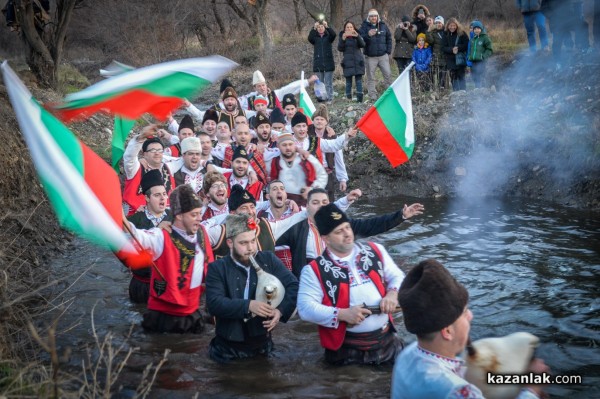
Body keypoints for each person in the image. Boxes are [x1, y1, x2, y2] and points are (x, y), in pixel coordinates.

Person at [391, 259, 550, 398]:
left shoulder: (408, 354)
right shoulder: (456, 390)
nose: (471, 316)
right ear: (447, 331)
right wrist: (533, 388)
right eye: (465, 312)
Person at [297, 203, 405, 365]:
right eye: (339, 231)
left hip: (386, 341)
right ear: (326, 238)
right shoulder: (313, 270)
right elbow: (305, 308)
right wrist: (342, 314)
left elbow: (397, 275)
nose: (347, 234)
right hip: (346, 351)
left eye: (347, 227)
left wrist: (393, 293)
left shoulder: (376, 250)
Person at [205, 213, 299, 363]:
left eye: (253, 241)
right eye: (243, 243)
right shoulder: (217, 268)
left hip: (263, 346)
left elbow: (294, 286)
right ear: (230, 243)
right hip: (226, 350)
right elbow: (214, 304)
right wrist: (248, 305)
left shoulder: (268, 260)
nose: (251, 248)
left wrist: (280, 311)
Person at [277, 188, 425, 279]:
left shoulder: (341, 225)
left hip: (340, 277)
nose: (320, 206)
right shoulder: (295, 228)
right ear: (307, 206)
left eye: (324, 202)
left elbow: (371, 225)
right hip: (311, 281)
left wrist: (401, 216)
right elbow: (269, 239)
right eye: (315, 203)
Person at [126, 185, 214, 334]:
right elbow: (135, 236)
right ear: (179, 215)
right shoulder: (160, 236)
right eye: (194, 215)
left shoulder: (201, 230)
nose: (200, 218)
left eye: (200, 213)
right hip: (165, 318)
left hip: (193, 312)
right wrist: (119, 218)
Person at [125, 169, 172, 304]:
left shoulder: (175, 218)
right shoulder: (133, 222)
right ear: (146, 198)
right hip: (142, 286)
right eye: (157, 195)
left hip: (169, 285)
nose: (163, 198)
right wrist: (156, 231)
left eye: (164, 194)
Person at [122, 125, 175, 216]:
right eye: (153, 150)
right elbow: (129, 157)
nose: (157, 153)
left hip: (165, 219)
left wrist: (207, 164)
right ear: (144, 154)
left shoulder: (169, 168)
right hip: (135, 218)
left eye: (159, 150)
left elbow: (186, 157)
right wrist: (141, 137)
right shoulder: (135, 168)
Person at [269, 132, 328, 206]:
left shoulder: (306, 158)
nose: (288, 148)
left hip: (306, 202)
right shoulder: (275, 161)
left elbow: (322, 176)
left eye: (290, 144)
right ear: (278, 146)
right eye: (284, 145)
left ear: (295, 145)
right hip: (284, 204)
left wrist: (312, 189)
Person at [309, 104, 349, 201]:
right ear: (313, 120)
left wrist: (342, 179)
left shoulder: (332, 136)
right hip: (310, 174)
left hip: (327, 174)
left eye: (322, 119)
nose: (319, 122)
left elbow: (339, 158)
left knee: (328, 201)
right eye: (317, 119)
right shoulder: (306, 132)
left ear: (326, 122)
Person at [358, 9, 392, 101]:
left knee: (388, 74)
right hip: (370, 56)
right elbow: (360, 39)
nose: (374, 18)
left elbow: (389, 38)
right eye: (372, 16)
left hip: (383, 55)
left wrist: (388, 51)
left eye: (375, 16)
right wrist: (368, 35)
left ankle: (388, 93)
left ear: (378, 17)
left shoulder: (383, 25)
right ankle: (372, 95)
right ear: (369, 17)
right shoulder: (364, 27)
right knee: (371, 77)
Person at [308, 19, 337, 103]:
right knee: (319, 83)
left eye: (322, 27)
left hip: (328, 63)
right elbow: (309, 38)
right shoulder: (315, 38)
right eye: (319, 27)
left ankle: (330, 98)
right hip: (318, 63)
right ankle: (321, 98)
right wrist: (313, 28)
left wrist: (327, 26)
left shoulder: (328, 37)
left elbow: (334, 35)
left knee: (328, 83)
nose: (320, 28)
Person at [337, 20, 365, 102]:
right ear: (345, 29)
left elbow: (363, 45)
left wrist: (358, 37)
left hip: (358, 61)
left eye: (351, 27)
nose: (349, 28)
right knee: (348, 81)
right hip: (347, 62)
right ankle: (348, 98)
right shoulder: (342, 36)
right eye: (347, 27)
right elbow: (340, 48)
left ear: (354, 28)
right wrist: (343, 39)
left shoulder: (357, 35)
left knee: (359, 81)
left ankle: (360, 99)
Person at [442, 18, 469, 91]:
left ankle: (463, 92)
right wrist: (451, 50)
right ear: (448, 26)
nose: (452, 27)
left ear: (457, 25)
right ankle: (455, 93)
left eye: (454, 25)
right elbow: (443, 47)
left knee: (461, 77)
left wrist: (458, 48)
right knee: (453, 78)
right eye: (450, 26)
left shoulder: (462, 33)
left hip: (460, 59)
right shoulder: (445, 34)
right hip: (450, 60)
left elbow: (466, 44)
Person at [467, 20, 493, 88]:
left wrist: (483, 56)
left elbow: (489, 49)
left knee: (480, 76)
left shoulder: (485, 38)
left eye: (478, 28)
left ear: (481, 29)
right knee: (474, 76)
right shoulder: (473, 39)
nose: (476, 30)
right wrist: (469, 57)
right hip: (473, 61)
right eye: (475, 29)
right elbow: (470, 50)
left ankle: (482, 90)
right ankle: (477, 89)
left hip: (481, 61)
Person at [427, 16, 447, 89]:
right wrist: (428, 31)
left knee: (442, 75)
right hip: (436, 56)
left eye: (440, 23)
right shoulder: (433, 32)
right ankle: (432, 89)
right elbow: (430, 41)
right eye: (436, 23)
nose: (438, 24)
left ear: (442, 23)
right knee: (433, 73)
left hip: (444, 56)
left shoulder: (446, 32)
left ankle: (442, 89)